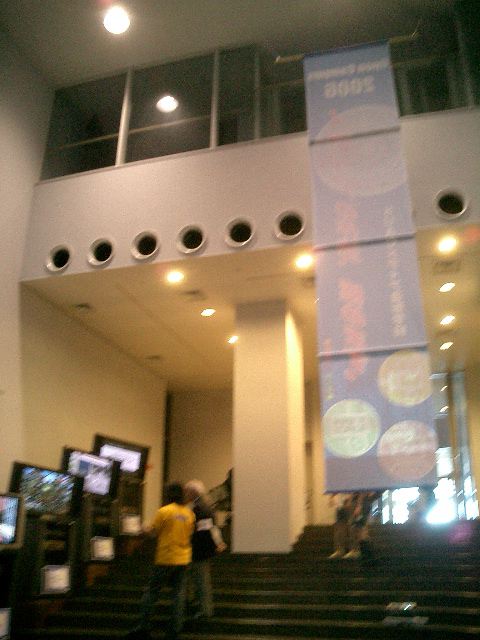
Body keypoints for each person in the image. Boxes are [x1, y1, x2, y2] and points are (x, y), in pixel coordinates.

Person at [126, 482, 195, 640]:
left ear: (168, 494)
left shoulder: (164, 511)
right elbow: (189, 534)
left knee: (152, 592)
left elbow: (152, 532)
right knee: (178, 594)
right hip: (183, 559)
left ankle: (144, 626)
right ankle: (175, 628)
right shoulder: (189, 514)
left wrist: (143, 528)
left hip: (165, 558)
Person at [184, 479, 226, 620]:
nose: (185, 494)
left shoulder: (199, 509)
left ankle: (205, 610)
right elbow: (212, 529)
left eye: (187, 491)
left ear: (193, 493)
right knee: (199, 580)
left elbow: (204, 531)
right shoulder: (206, 507)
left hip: (198, 550)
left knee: (201, 581)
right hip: (201, 550)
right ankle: (199, 606)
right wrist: (218, 543)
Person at [328, 493, 353, 558]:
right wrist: (331, 497)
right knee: (338, 530)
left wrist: (349, 500)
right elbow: (334, 490)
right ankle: (339, 550)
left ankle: (352, 550)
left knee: (350, 528)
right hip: (339, 507)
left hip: (347, 505)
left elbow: (351, 491)